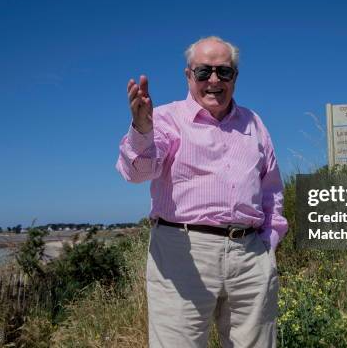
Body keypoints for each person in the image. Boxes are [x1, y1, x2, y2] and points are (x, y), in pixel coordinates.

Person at [116, 36, 288, 348]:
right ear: (188, 75)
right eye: (203, 72)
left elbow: (271, 190)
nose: (213, 81)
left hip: (250, 254)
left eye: (223, 72)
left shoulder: (254, 123)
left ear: (234, 77)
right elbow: (138, 173)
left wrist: (267, 245)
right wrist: (142, 131)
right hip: (182, 253)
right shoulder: (166, 119)